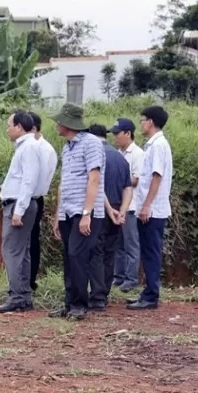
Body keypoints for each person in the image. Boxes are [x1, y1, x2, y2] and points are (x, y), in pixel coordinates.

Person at [49, 103, 104, 320]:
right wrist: (58, 216)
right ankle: (70, 304)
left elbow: (94, 178)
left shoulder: (91, 143)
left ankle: (80, 305)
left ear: (67, 124)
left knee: (78, 256)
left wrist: (87, 213)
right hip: (68, 211)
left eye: (59, 121)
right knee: (69, 258)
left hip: (84, 212)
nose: (56, 125)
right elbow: (65, 183)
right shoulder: (67, 147)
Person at [0, 110, 42, 314]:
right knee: (22, 251)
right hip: (20, 203)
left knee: (12, 251)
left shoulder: (28, 147)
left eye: (9, 125)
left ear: (19, 127)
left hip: (19, 205)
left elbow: (29, 181)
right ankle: (23, 295)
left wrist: (19, 210)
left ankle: (17, 296)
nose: (7, 129)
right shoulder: (28, 146)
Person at [128, 105, 174, 311]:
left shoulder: (157, 145)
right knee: (148, 251)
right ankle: (148, 292)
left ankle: (151, 295)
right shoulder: (153, 145)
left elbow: (157, 176)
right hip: (150, 207)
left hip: (153, 209)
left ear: (151, 122)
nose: (141, 123)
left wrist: (147, 205)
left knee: (151, 252)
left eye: (142, 119)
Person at [87, 124, 132, 310]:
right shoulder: (120, 158)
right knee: (109, 252)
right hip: (116, 208)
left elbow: (94, 185)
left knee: (96, 252)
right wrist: (122, 210)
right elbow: (128, 187)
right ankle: (104, 293)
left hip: (100, 208)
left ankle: (97, 296)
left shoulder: (95, 156)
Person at [110, 118, 145, 291]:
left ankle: (131, 279)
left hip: (131, 207)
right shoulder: (118, 153)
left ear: (128, 133)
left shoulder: (137, 154)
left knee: (131, 244)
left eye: (117, 133)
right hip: (119, 206)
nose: (115, 137)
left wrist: (119, 181)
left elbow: (136, 179)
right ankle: (118, 277)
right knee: (119, 245)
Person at [28, 111, 57, 292]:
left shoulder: (43, 149)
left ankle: (30, 280)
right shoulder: (31, 147)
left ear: (32, 128)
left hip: (33, 199)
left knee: (31, 241)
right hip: (28, 198)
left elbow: (38, 179)